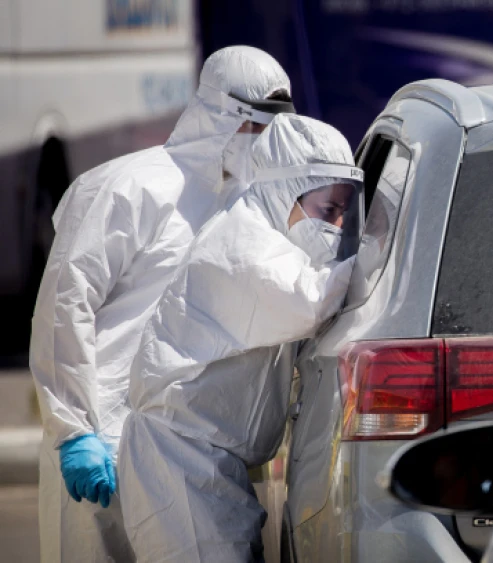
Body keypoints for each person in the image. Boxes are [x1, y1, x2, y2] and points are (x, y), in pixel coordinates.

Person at [28, 46, 295, 563]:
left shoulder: (254, 204)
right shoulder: (129, 186)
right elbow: (67, 300)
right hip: (101, 442)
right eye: (255, 126)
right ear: (221, 114)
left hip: (189, 454)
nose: (261, 143)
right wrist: (75, 430)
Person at [119, 113, 362, 562]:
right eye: (328, 209)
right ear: (282, 191)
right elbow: (311, 300)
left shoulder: (265, 233)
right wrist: (376, 258)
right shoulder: (241, 246)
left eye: (346, 211)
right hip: (178, 461)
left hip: (205, 460)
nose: (337, 224)